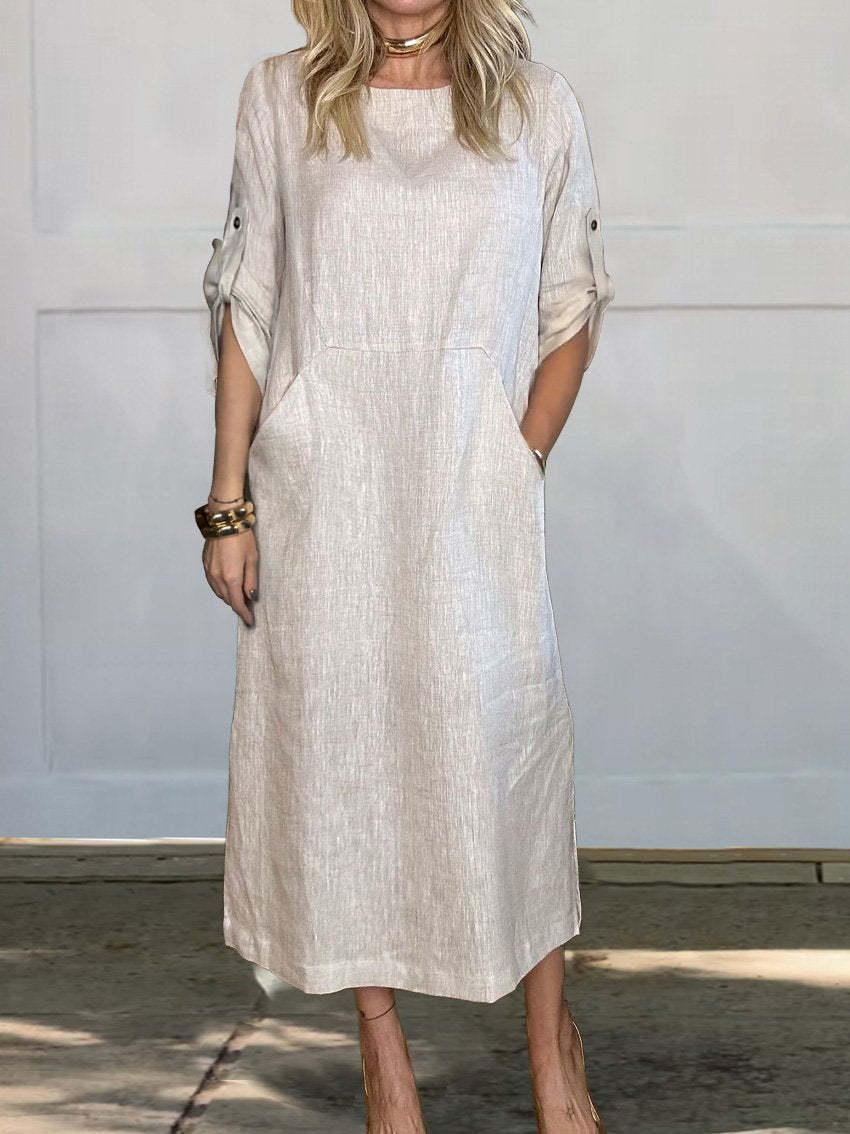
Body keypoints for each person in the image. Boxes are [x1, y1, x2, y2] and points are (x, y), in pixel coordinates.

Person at [197, 2, 614, 1130]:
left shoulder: (535, 105)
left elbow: (571, 301)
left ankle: (551, 1044)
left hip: (470, 493)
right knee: (343, 762)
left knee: (503, 756)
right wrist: (229, 502)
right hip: (323, 494)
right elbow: (248, 300)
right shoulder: (281, 96)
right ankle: (383, 1054)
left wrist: (517, 456)